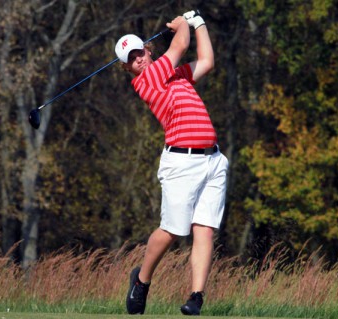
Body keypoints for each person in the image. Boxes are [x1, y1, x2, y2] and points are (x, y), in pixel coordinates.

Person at [115, 10, 229, 316]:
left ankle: (196, 297)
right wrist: (182, 26)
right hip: (181, 162)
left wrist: (200, 23)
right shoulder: (146, 81)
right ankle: (141, 279)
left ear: (147, 49)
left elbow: (206, 61)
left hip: (213, 160)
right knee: (173, 231)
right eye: (131, 58)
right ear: (128, 68)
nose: (138, 59)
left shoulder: (176, 76)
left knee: (204, 230)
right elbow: (178, 46)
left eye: (139, 51)